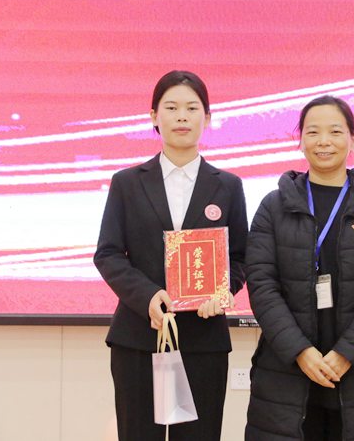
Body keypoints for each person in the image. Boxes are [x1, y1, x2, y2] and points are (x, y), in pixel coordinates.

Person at [94, 70, 248, 441]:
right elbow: (109, 253)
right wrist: (147, 296)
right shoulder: (127, 183)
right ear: (154, 116)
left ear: (207, 118)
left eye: (192, 108)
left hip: (204, 341)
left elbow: (241, 258)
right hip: (138, 336)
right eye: (172, 107)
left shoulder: (228, 186)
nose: (182, 117)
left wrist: (221, 292)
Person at [244, 95, 354, 440]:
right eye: (313, 132)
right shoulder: (274, 207)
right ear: (300, 140)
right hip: (286, 374)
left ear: (353, 139)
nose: (323, 141)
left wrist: (347, 353)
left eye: (335, 131)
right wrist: (300, 351)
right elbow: (261, 284)